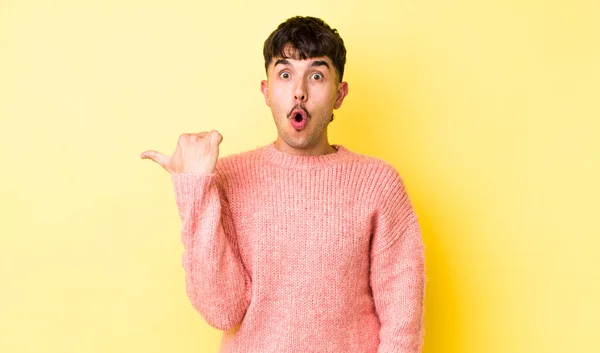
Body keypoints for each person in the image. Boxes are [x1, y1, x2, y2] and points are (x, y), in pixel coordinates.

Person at [141, 16, 426, 353]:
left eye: (316, 76)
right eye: (285, 74)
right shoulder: (228, 179)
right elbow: (222, 310)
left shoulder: (377, 184)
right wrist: (194, 190)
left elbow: (402, 317)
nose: (299, 91)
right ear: (266, 91)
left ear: (339, 94)